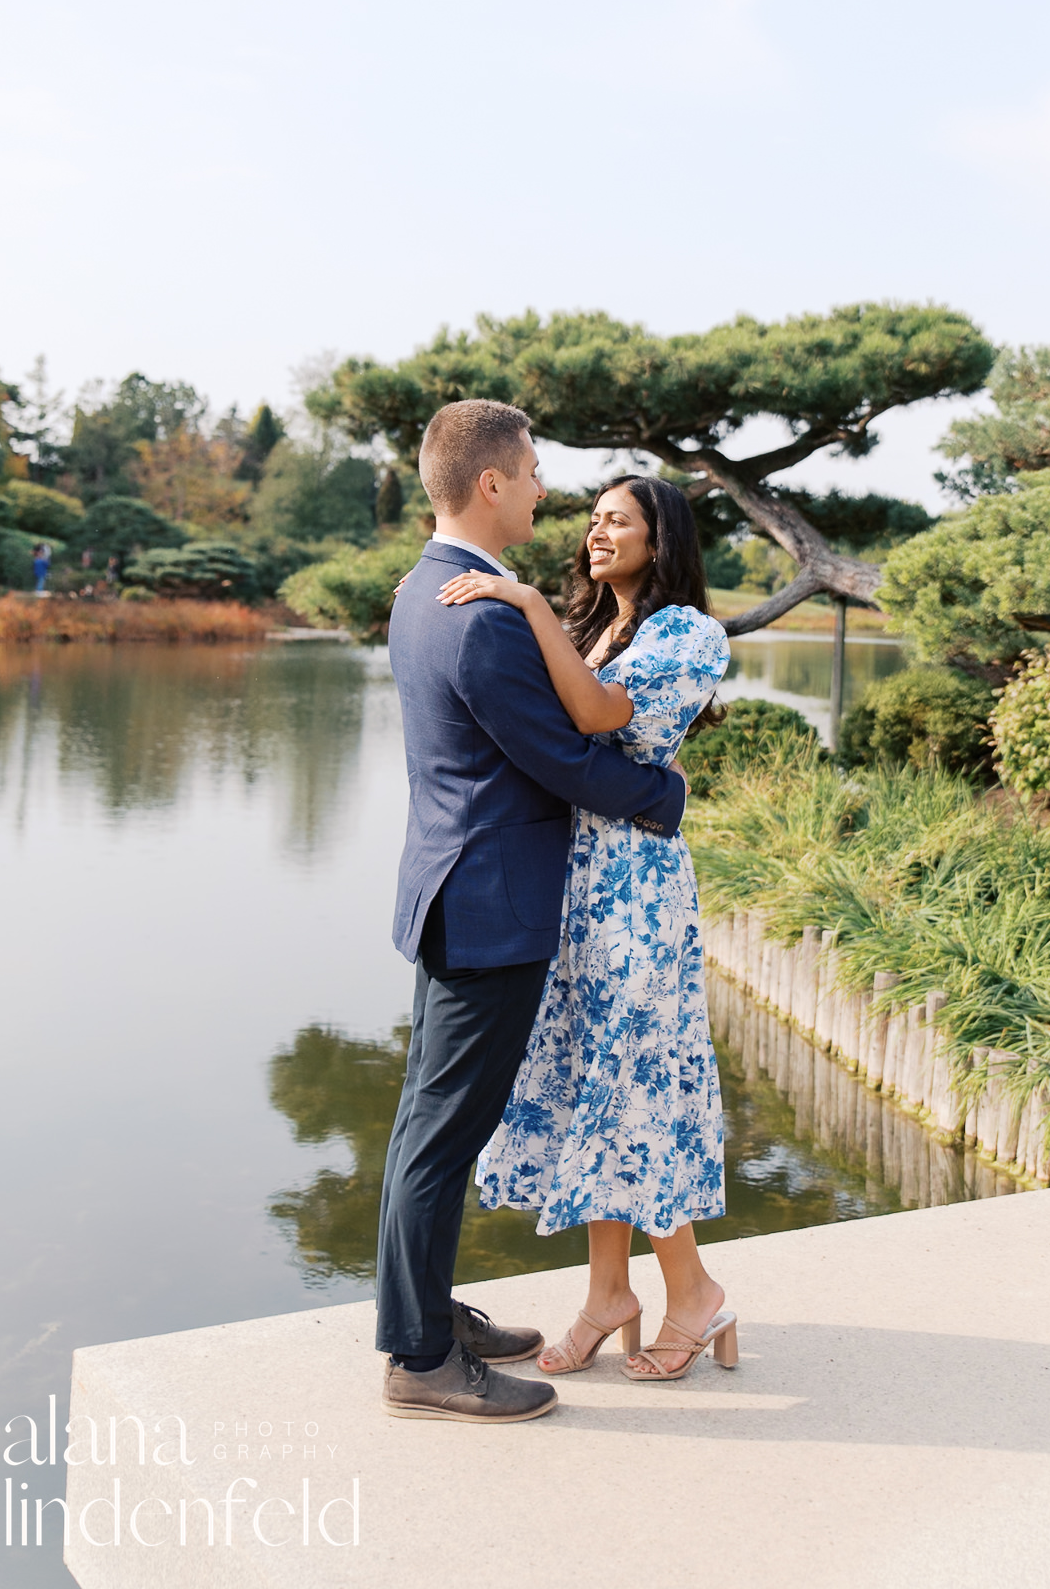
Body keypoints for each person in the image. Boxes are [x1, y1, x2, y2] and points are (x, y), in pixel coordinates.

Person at [377, 401, 690, 1425]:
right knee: (440, 1135)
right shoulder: (475, 613)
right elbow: (559, 756)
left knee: (427, 1124)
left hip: (448, 889)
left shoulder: (422, 593)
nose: (546, 492)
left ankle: (426, 1314)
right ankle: (422, 1354)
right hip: (491, 904)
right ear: (491, 484)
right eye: (533, 472)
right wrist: (663, 795)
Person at [440, 472, 737, 1385]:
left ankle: (693, 1296)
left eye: (618, 520)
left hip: (636, 890)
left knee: (632, 1082)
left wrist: (522, 598)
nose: (596, 531)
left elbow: (598, 715)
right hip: (573, 885)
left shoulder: (686, 632)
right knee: (585, 1083)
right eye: (593, 518)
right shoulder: (588, 627)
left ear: (661, 537)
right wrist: (540, 616)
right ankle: (608, 1294)